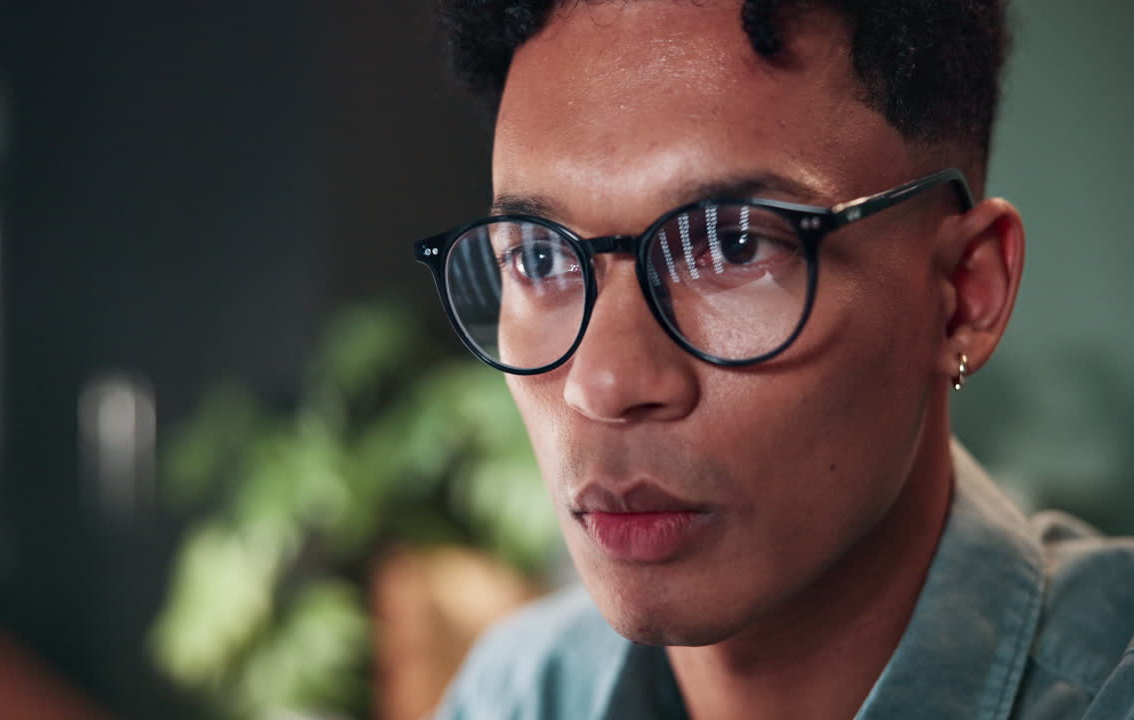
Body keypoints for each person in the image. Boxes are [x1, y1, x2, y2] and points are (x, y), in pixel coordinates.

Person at [412, 1, 1134, 718]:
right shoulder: (514, 695)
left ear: (964, 295)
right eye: (539, 258)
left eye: (732, 245)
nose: (605, 384)